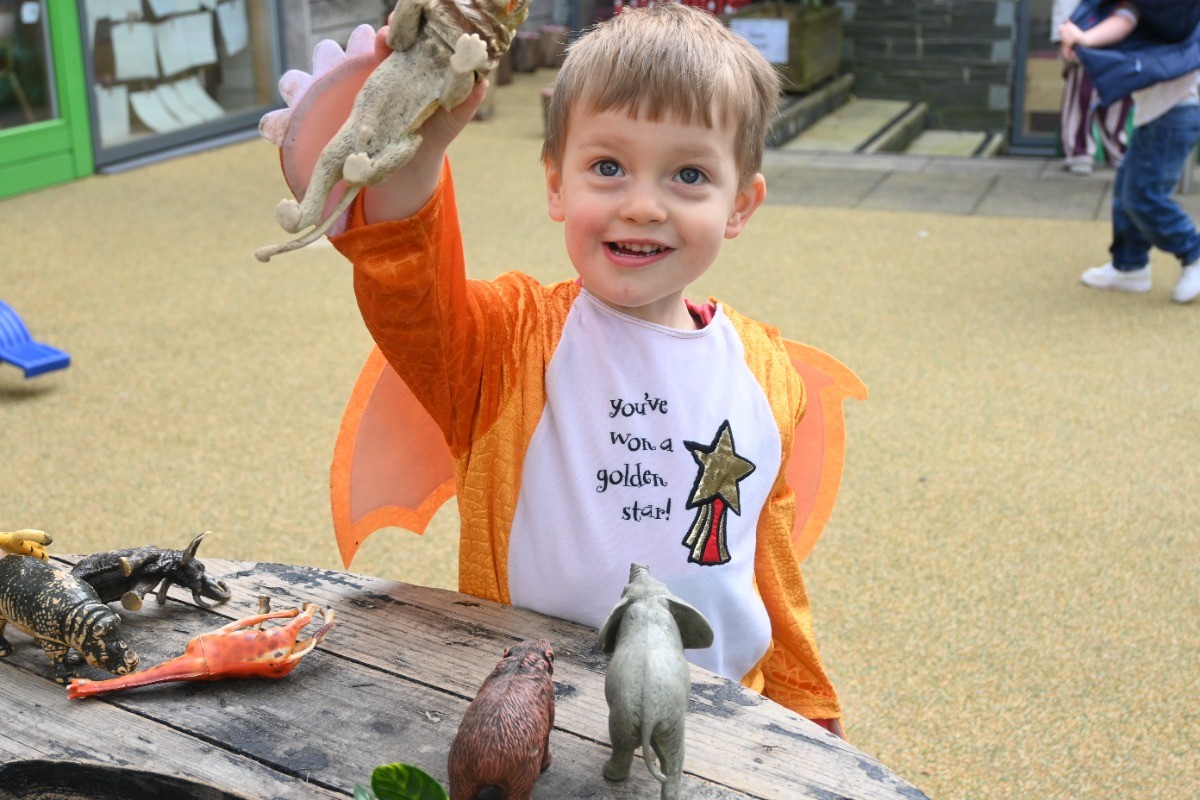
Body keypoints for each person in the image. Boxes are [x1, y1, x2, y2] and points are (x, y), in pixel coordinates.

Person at [322, 4, 845, 733]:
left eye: (689, 174)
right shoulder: (510, 339)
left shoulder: (768, 373)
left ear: (740, 205)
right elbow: (408, 290)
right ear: (556, 184)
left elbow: (770, 570)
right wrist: (419, 150)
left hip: (727, 723)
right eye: (607, 167)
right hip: (535, 714)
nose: (642, 206)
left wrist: (809, 710)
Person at [1060, 1, 1200, 303]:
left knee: (1143, 196)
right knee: (1128, 187)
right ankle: (1129, 265)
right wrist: (1081, 41)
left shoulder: (1155, 8)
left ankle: (1193, 251)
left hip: (1173, 113)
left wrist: (1082, 38)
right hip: (1164, 113)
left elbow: (1122, 21)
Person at [1052, 0, 1132, 174]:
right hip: (1084, 23)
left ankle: (1117, 147)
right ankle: (1079, 150)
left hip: (1124, 26)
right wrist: (1065, 36)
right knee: (1082, 93)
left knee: (1119, 95)